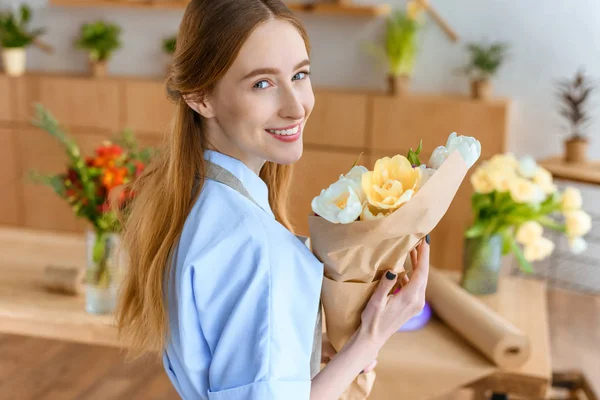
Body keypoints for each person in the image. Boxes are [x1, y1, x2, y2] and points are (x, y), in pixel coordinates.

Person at [114, 0, 430, 399]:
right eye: (262, 83)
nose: (296, 106)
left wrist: (303, 351)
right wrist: (371, 337)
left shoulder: (187, 198)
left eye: (300, 74)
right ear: (200, 97)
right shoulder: (256, 245)